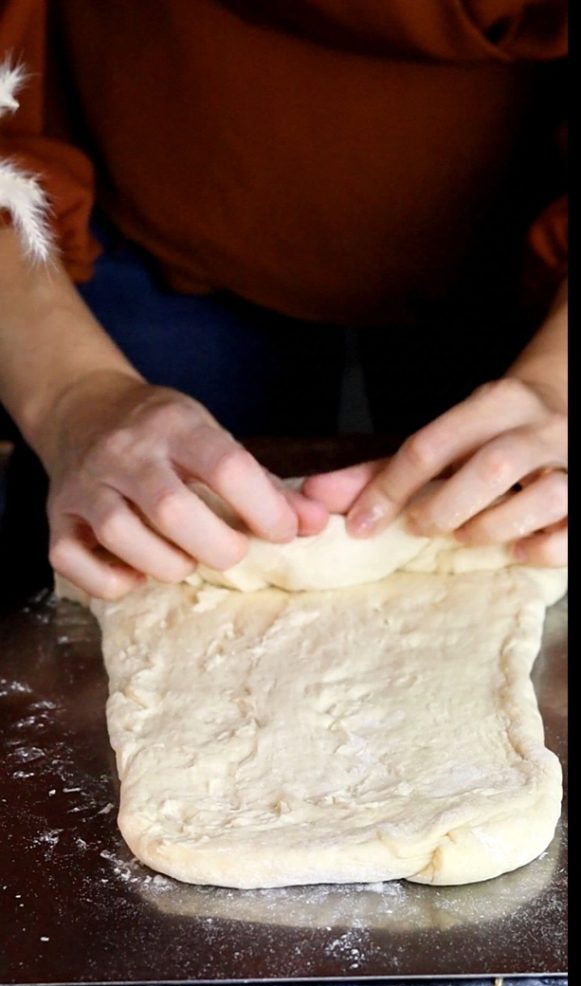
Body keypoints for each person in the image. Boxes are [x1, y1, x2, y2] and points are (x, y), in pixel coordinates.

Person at [0, 0, 567, 602]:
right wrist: (73, 396)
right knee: (123, 536)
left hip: (518, 252)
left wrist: (556, 383)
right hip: (124, 235)